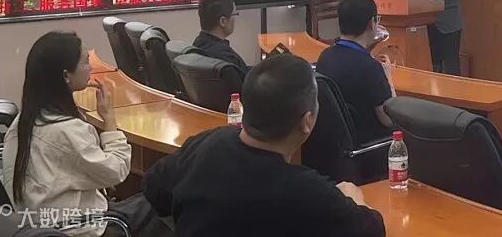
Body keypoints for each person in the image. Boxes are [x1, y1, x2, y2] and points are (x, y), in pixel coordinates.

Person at [143, 54, 385, 237]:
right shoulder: (308, 192)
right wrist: (353, 199)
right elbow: (372, 229)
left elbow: (153, 188)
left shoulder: (205, 142)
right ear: (307, 121)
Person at [1, 31, 168, 237]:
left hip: (39, 225)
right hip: (78, 228)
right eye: (86, 62)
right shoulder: (65, 129)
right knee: (168, 197)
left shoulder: (23, 121)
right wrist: (109, 120)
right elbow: (115, 172)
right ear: (66, 75)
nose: (91, 68)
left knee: (155, 194)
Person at [315, 0, 396, 143]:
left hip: (335, 143)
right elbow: (389, 119)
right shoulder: (371, 68)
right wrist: (388, 76)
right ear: (372, 24)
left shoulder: (325, 56)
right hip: (369, 144)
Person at [192, 0, 249, 81]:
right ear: (223, 21)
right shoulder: (224, 60)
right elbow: (246, 82)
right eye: (235, 14)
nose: (235, 19)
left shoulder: (199, 44)